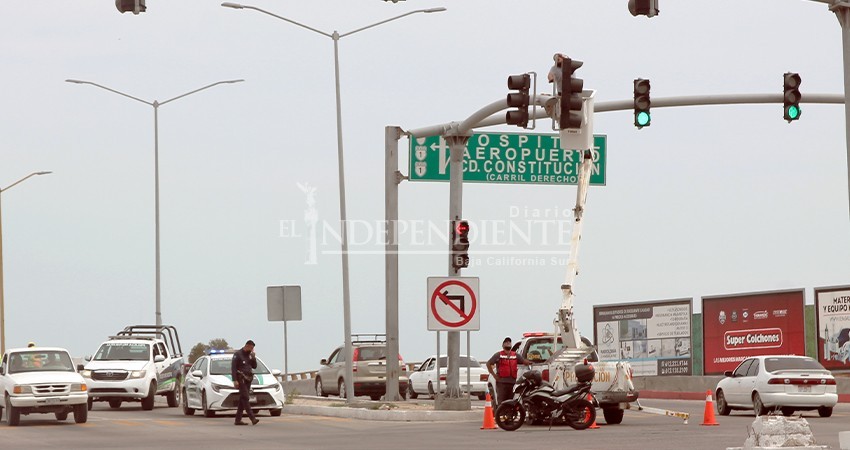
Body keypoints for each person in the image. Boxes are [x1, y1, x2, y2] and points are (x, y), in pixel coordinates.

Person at [486, 337, 532, 406]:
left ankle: (508, 412)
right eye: (506, 342)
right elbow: (488, 363)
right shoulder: (499, 355)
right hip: (502, 383)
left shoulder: (515, 355)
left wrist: (532, 361)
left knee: (510, 402)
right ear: (503, 345)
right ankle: (501, 412)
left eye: (509, 342)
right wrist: (494, 375)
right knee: (502, 402)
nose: (508, 343)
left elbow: (524, 361)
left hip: (512, 383)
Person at [231, 340, 259, 426]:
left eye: (253, 348)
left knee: (242, 399)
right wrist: (235, 380)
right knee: (246, 397)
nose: (252, 350)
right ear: (247, 346)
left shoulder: (250, 355)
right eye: (251, 348)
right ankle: (252, 418)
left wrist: (253, 358)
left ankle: (238, 420)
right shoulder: (238, 354)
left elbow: (254, 366)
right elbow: (233, 368)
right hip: (241, 378)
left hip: (248, 379)